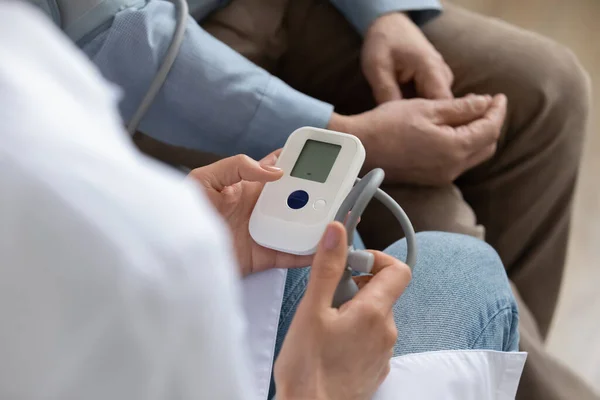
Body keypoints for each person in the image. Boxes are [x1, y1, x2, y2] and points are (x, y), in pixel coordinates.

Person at [27, 0, 593, 399]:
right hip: (153, 54)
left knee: (548, 87)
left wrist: (384, 11)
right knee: (453, 252)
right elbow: (118, 33)